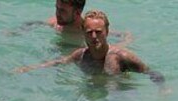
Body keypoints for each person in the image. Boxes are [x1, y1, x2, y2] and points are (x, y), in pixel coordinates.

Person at [17, 10, 163, 84]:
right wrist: (29, 68)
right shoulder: (80, 55)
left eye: (98, 32)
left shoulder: (121, 56)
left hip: (121, 92)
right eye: (89, 32)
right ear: (83, 33)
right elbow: (58, 62)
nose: (94, 37)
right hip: (94, 89)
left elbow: (152, 73)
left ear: (106, 31)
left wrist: (164, 90)